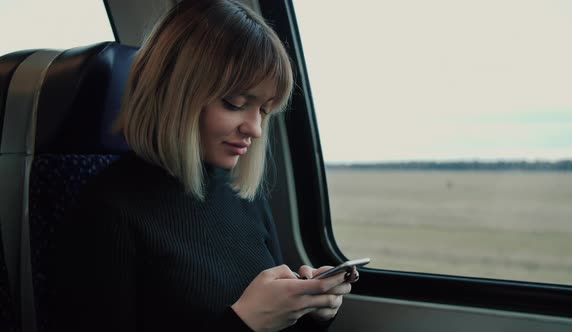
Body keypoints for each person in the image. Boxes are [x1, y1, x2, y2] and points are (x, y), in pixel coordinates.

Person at [50, 0, 358, 331]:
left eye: (264, 110)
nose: (255, 129)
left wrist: (311, 310)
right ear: (173, 94)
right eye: (235, 104)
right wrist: (244, 322)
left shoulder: (244, 197)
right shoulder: (108, 210)